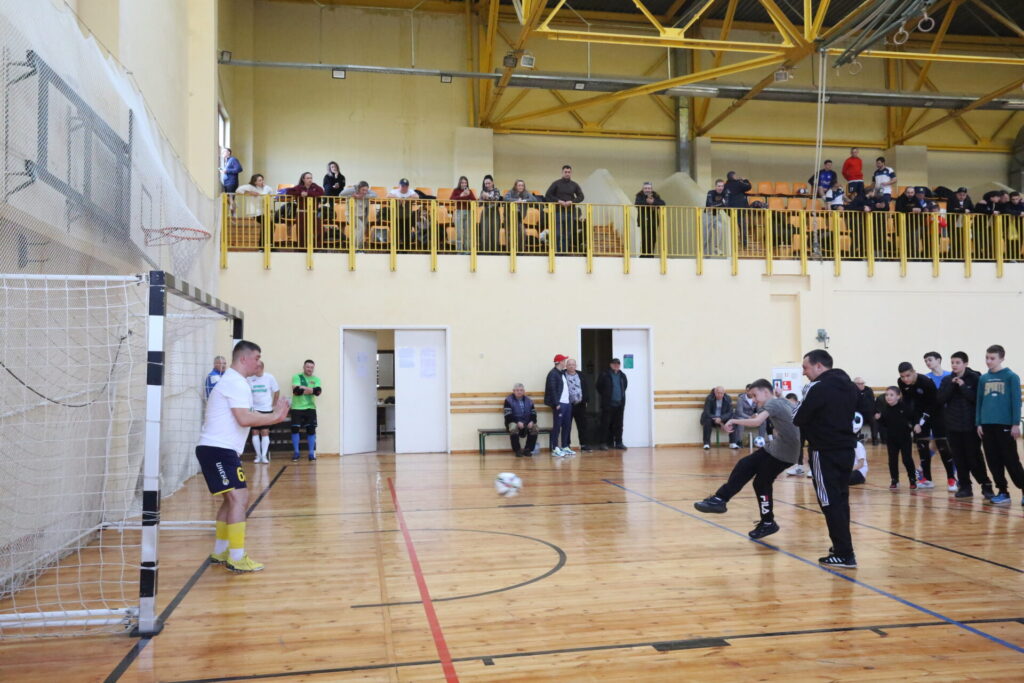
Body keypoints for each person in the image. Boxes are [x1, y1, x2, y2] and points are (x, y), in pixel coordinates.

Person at [196, 340, 289, 573]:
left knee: (231, 500)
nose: (259, 363)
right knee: (240, 499)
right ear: (244, 359)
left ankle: (220, 551)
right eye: (257, 358)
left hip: (219, 450)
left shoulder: (236, 382)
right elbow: (244, 419)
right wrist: (275, 417)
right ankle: (236, 557)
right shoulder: (236, 383)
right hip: (218, 449)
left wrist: (272, 415)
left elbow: (246, 415)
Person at [693, 379, 801, 540]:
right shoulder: (781, 401)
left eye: (755, 395)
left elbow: (757, 422)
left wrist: (733, 420)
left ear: (766, 392)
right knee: (747, 467)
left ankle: (765, 521)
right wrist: (780, 395)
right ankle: (721, 500)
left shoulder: (773, 403)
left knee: (761, 481)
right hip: (780, 448)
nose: (754, 400)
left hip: (784, 452)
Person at [792, 349, 858, 569]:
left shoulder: (816, 387)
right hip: (847, 449)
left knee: (829, 501)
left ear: (819, 366)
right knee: (841, 498)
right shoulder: (850, 385)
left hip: (824, 451)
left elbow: (797, 418)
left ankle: (844, 553)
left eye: (806, 367)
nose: (804, 373)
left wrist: (802, 400)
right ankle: (842, 547)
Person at [938, 351, 993, 500]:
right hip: (952, 426)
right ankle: (965, 486)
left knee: (974, 458)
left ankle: (986, 485)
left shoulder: (975, 378)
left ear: (965, 363)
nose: (954, 365)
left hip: (971, 426)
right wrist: (951, 385)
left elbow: (977, 399)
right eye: (952, 363)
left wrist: (963, 387)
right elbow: (940, 399)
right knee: (958, 458)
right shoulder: (947, 380)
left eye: (957, 362)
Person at [975, 344, 1024, 506]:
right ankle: (1003, 491)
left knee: (1011, 460)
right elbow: (979, 402)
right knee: (993, 460)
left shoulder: (1011, 377)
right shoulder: (983, 378)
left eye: (992, 358)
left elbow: (1016, 402)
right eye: (987, 358)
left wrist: (1015, 423)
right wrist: (979, 423)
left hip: (1005, 425)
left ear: (1001, 358)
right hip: (987, 425)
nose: (988, 361)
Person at [897, 361, 955, 490]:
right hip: (919, 413)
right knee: (922, 446)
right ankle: (927, 480)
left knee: (942, 446)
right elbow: (908, 402)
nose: (905, 379)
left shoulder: (926, 382)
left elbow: (934, 403)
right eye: (902, 376)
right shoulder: (901, 382)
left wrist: (922, 421)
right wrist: (914, 423)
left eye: (908, 375)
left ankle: (951, 479)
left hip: (936, 412)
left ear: (914, 372)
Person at [874, 386, 917, 490]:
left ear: (898, 396)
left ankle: (912, 479)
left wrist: (912, 426)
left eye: (891, 395)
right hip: (891, 439)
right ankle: (894, 480)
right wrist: (879, 419)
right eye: (887, 395)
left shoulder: (905, 407)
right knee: (892, 460)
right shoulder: (885, 408)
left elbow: (913, 418)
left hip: (905, 438)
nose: (888, 397)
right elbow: (885, 424)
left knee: (907, 459)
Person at [544, 165, 585, 253]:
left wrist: (572, 201)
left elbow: (581, 196)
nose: (567, 174)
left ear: (571, 173)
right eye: (565, 172)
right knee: (558, 233)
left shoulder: (574, 185)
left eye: (569, 172)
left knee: (568, 234)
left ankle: (564, 252)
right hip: (558, 212)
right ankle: (557, 251)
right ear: (562, 173)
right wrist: (558, 201)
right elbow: (548, 195)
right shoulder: (556, 183)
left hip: (570, 212)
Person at [247, 360, 280, 464]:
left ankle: (264, 456)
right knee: (255, 432)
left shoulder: (269, 377)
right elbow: (246, 393)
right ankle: (258, 455)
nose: (255, 369)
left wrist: (274, 405)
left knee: (265, 432)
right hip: (254, 409)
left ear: (262, 368)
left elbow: (276, 391)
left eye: (257, 367)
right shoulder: (249, 379)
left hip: (266, 409)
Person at [290, 359, 322, 462]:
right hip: (297, 408)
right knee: (295, 430)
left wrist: (303, 388)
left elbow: (318, 392)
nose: (309, 369)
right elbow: (296, 391)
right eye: (308, 367)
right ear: (303, 367)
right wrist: (311, 390)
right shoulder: (297, 377)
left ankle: (311, 454)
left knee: (311, 430)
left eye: (312, 367)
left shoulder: (316, 379)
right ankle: (296, 453)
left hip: (310, 408)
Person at [544, 354, 573, 457]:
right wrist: (556, 403)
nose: (565, 362)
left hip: (567, 403)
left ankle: (565, 446)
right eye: (564, 361)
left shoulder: (562, 373)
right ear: (560, 362)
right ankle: (555, 447)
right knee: (557, 426)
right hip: (559, 404)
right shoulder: (553, 374)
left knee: (567, 425)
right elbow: (552, 389)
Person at [596, 358, 629, 450]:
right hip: (608, 404)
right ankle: (603, 443)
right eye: (614, 364)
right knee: (605, 424)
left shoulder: (622, 375)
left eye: (618, 364)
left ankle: (619, 442)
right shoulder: (604, 374)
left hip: (620, 404)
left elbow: (625, 386)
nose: (616, 365)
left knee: (619, 425)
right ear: (610, 365)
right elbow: (599, 386)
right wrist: (606, 395)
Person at [339, 181, 379, 248]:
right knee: (361, 228)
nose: (365, 192)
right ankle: (356, 247)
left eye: (366, 190)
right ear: (358, 188)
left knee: (360, 230)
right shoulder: (352, 190)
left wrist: (363, 196)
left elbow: (375, 195)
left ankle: (357, 247)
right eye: (363, 190)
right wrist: (353, 195)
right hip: (352, 215)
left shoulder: (366, 192)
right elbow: (341, 194)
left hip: (362, 215)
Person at [564, 358, 592, 452]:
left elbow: (586, 388)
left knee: (582, 425)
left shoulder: (581, 375)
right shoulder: (562, 375)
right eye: (569, 365)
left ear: (576, 366)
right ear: (566, 366)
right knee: (567, 426)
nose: (571, 366)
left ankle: (584, 445)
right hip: (568, 405)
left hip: (580, 404)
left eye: (573, 365)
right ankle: (566, 445)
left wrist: (586, 400)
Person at [503, 383, 538, 457]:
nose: (519, 392)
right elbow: (508, 415)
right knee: (513, 427)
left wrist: (532, 421)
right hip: (513, 421)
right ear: (513, 391)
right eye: (517, 390)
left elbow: (533, 413)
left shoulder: (529, 400)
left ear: (524, 391)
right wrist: (517, 422)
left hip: (527, 422)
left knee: (535, 427)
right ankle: (517, 450)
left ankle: (528, 450)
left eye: (521, 390)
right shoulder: (508, 400)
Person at [700, 386, 737, 450]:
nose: (719, 395)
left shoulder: (728, 398)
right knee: (707, 421)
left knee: (732, 420)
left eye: (721, 393)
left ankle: (732, 443)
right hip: (711, 418)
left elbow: (730, 412)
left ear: (724, 393)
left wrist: (720, 419)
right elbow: (707, 412)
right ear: (714, 392)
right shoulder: (709, 398)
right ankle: (706, 443)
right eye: (718, 393)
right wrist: (717, 418)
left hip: (722, 418)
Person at [634, 181, 666, 257]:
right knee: (645, 238)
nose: (647, 190)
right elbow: (637, 203)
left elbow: (662, 203)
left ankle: (650, 254)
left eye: (649, 188)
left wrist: (653, 202)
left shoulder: (655, 195)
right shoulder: (639, 195)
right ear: (643, 189)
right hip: (644, 220)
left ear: (651, 189)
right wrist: (647, 201)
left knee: (653, 238)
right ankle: (644, 254)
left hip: (653, 221)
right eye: (646, 188)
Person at [387, 178, 420, 248]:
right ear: (399, 186)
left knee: (407, 233)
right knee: (396, 233)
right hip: (396, 217)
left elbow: (417, 197)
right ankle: (395, 248)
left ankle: (406, 249)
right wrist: (398, 198)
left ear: (408, 186)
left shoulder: (410, 191)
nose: (404, 187)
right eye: (402, 186)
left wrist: (406, 199)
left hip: (407, 216)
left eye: (406, 186)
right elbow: (388, 196)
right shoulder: (395, 191)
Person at [724, 171, 752, 248]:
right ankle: (744, 244)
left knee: (731, 228)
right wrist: (745, 180)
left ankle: (731, 244)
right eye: (735, 176)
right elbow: (748, 187)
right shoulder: (738, 183)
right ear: (733, 176)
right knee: (743, 227)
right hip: (740, 210)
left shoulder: (726, 185)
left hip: (730, 211)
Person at [449, 175, 476, 252]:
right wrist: (461, 195)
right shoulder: (456, 191)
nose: (464, 184)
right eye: (462, 183)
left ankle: (467, 250)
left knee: (467, 232)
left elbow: (474, 200)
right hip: (459, 212)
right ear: (459, 183)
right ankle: (459, 250)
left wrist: (470, 198)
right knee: (459, 233)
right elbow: (451, 199)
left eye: (465, 183)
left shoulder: (469, 191)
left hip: (468, 212)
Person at [703, 179, 729, 256]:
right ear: (715, 186)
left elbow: (726, 205)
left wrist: (716, 205)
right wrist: (721, 203)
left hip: (717, 214)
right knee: (706, 236)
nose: (720, 188)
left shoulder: (725, 193)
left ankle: (716, 248)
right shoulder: (711, 192)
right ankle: (705, 255)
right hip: (707, 215)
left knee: (720, 227)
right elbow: (709, 204)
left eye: (722, 186)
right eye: (719, 186)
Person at [478, 175, 503, 252]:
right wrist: (481, 199)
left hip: (495, 212)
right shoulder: (482, 191)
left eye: (489, 183)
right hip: (485, 211)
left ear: (492, 183)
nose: (487, 185)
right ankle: (484, 251)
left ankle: (495, 251)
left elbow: (496, 199)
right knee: (484, 231)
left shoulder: (496, 190)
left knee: (495, 232)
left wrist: (488, 197)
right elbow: (479, 204)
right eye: (486, 184)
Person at [853, 377, 878, 445]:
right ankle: (856, 439)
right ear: (854, 384)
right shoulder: (852, 391)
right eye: (859, 384)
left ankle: (875, 439)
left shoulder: (869, 390)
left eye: (863, 383)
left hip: (868, 413)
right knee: (856, 420)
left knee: (874, 420)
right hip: (857, 413)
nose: (862, 385)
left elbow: (873, 403)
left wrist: (876, 412)